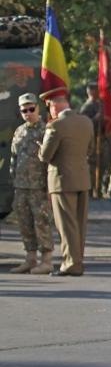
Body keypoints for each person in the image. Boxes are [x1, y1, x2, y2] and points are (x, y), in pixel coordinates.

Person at [38, 87, 94, 276]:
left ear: (56, 105)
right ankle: (77, 260)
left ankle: (71, 263)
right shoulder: (86, 122)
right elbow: (90, 150)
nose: (50, 111)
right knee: (79, 224)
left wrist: (40, 147)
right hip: (82, 178)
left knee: (66, 224)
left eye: (50, 106)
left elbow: (45, 156)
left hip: (62, 180)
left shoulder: (55, 126)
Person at [9, 93, 53, 274]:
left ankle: (47, 260)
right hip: (21, 186)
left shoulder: (46, 130)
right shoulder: (19, 131)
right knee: (24, 222)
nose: (28, 113)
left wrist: (50, 188)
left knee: (41, 222)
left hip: (39, 186)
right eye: (23, 110)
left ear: (38, 108)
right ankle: (30, 258)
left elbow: (51, 160)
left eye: (31, 109)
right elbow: (14, 157)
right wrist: (14, 178)